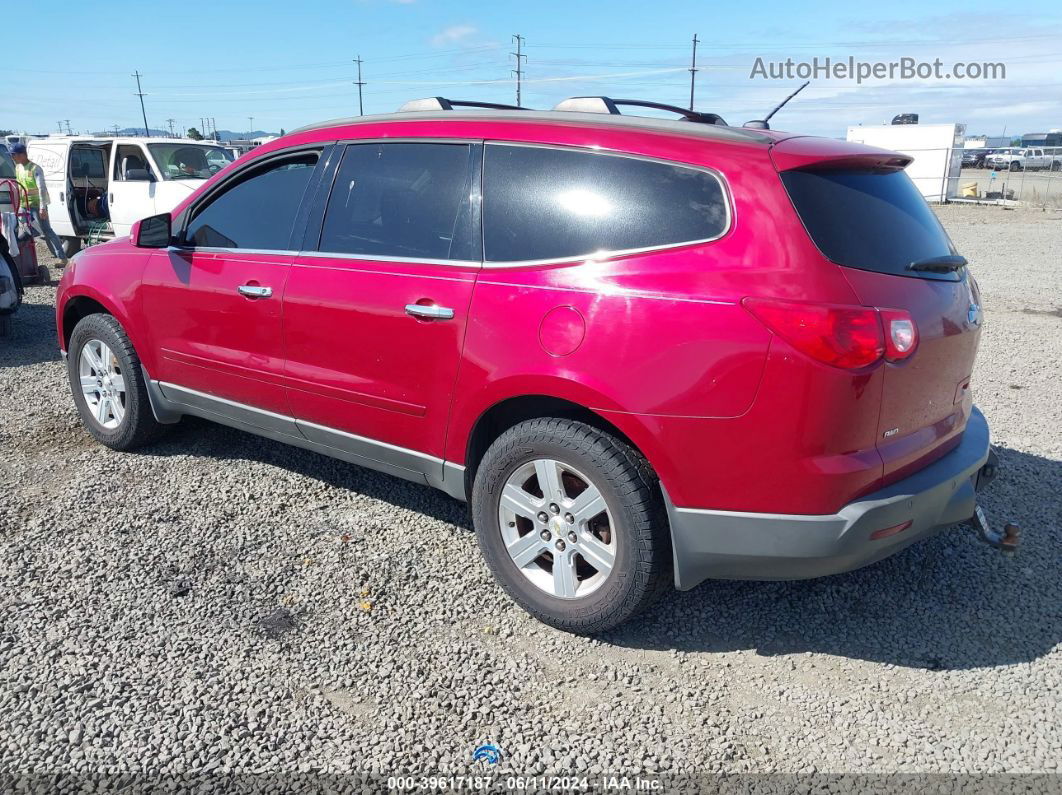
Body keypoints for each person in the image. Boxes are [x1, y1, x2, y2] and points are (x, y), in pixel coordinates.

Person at [9, 143, 67, 266]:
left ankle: (62, 257)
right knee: (21, 229)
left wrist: (42, 207)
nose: (13, 157)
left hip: (37, 205)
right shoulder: (18, 168)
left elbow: (41, 188)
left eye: (14, 155)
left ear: (23, 155)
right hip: (24, 204)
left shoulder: (35, 169)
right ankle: (22, 258)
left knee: (47, 231)